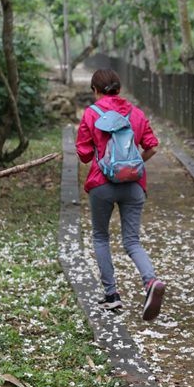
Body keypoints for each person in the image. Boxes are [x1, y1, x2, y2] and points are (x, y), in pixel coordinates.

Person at [76, 68, 165, 321]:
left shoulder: (92, 114)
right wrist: (135, 164)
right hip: (134, 185)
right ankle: (151, 282)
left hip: (101, 184)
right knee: (132, 241)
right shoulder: (135, 113)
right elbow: (153, 147)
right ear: (119, 89)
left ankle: (112, 296)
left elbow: (83, 155)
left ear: (95, 90)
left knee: (101, 237)